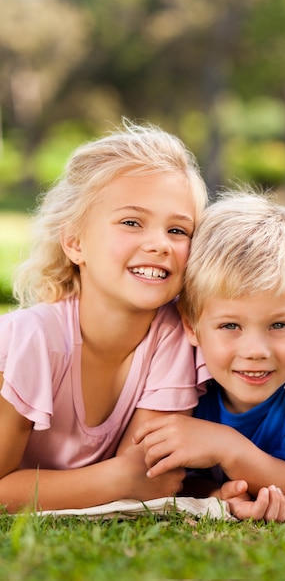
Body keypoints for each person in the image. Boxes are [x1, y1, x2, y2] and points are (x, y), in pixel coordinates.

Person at [0, 120, 209, 513]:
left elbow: (150, 475)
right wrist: (113, 479)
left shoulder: (173, 338)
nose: (159, 244)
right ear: (75, 243)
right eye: (132, 222)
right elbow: (130, 479)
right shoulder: (33, 339)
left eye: (178, 230)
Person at [136, 190, 285, 522]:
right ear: (191, 324)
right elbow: (175, 477)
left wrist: (225, 446)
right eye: (230, 325)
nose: (256, 351)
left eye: (279, 325)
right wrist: (217, 495)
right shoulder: (180, 372)